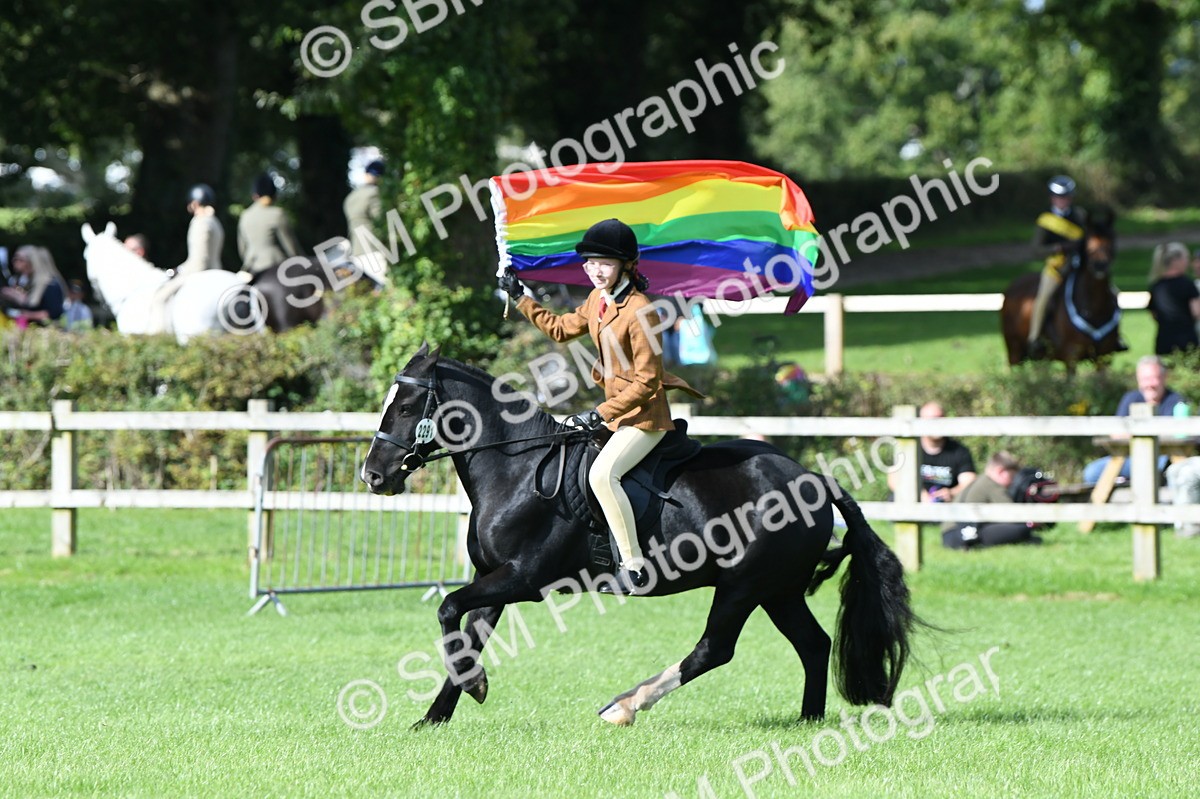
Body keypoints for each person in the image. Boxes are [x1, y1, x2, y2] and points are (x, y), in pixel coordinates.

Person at [497, 218, 705, 594]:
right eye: (590, 263)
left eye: (604, 264)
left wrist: (600, 413)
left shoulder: (642, 311)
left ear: (627, 265)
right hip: (617, 413)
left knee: (601, 476)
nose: (595, 270)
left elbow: (647, 381)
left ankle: (635, 565)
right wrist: (520, 297)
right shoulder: (598, 300)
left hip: (644, 418)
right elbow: (560, 329)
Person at [1082, 355, 1185, 484]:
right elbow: (1116, 433)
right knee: (1091, 472)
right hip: (1129, 458)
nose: (1150, 384)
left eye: (1154, 378)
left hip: (1162, 459)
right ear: (1138, 380)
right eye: (1145, 379)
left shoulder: (1176, 401)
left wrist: (1132, 433)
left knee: (1171, 470)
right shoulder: (1130, 398)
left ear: (1164, 378)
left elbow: (1173, 434)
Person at [148, 184, 225, 333]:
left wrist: (179, 269)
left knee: (159, 299)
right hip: (217, 270)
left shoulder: (200, 222)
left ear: (194, 204)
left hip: (198, 272)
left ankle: (159, 337)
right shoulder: (215, 221)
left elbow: (200, 260)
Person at [1028, 175, 1087, 355]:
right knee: (1043, 299)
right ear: (1052, 198)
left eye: (1066, 197)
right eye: (1059, 197)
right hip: (1056, 268)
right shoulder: (1046, 221)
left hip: (1078, 267)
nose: (1063, 201)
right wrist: (1058, 248)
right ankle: (1034, 338)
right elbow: (1036, 250)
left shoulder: (1080, 216)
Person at [942, 451, 1043, 549]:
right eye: (1012, 477)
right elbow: (1012, 514)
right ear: (1000, 472)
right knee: (1023, 530)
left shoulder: (980, 480)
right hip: (961, 534)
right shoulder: (992, 485)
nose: (1013, 482)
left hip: (949, 534)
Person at [887, 401, 977, 502]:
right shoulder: (908, 448)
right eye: (933, 419)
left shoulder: (959, 451)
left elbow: (969, 481)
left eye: (941, 418)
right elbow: (893, 480)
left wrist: (952, 492)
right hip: (914, 501)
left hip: (948, 506)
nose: (938, 423)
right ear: (920, 422)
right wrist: (919, 495)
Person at [238, 172, 301, 275]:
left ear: (255, 196)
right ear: (274, 196)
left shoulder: (245, 216)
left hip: (251, 269)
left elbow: (242, 249)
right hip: (276, 268)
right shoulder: (278, 214)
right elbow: (291, 248)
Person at [1147, 241, 1200, 355]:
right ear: (1176, 261)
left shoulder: (1157, 286)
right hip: (1187, 340)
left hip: (1164, 340)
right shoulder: (1187, 284)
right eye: (1186, 258)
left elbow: (1153, 313)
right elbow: (1196, 312)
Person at [0, 245, 66, 326]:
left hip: (46, 332)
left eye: (20, 259)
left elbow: (52, 313)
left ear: (32, 262)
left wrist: (24, 314)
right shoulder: (30, 283)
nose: (14, 261)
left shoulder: (51, 284)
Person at [344, 159, 385, 276]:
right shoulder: (374, 193)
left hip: (357, 252)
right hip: (374, 251)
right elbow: (381, 221)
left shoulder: (351, 197)